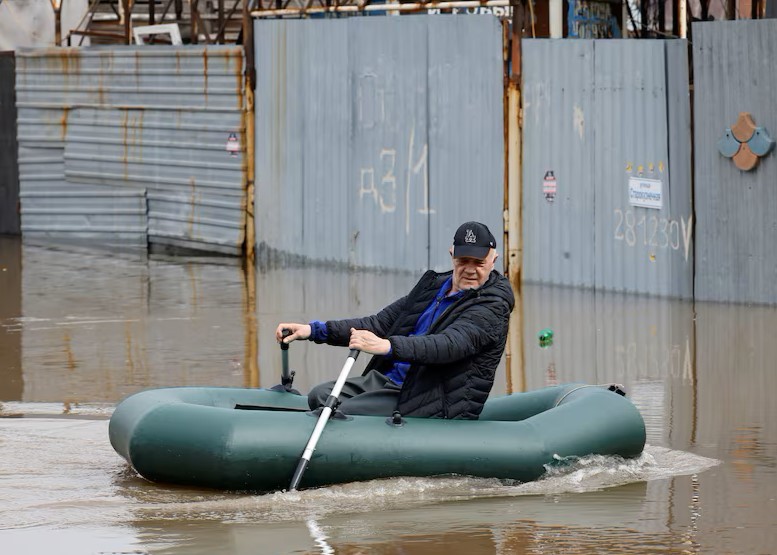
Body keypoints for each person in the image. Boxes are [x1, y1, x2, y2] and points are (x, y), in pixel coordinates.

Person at [275, 221, 515, 420]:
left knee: (343, 415)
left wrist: (387, 346)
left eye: (479, 263)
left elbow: (449, 345)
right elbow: (379, 324)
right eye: (464, 261)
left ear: (494, 260)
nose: (471, 269)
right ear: (452, 255)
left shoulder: (493, 305)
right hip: (392, 381)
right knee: (319, 395)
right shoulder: (433, 287)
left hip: (432, 396)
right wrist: (314, 330)